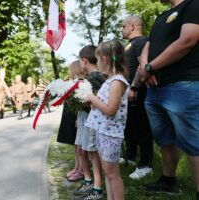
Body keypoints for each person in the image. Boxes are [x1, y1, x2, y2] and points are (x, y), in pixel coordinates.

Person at [132, 0, 199, 198]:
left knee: (193, 141)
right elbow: (147, 47)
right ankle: (168, 181)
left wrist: (150, 68)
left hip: (183, 83)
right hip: (155, 87)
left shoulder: (193, 5)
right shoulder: (162, 16)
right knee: (164, 137)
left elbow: (188, 40)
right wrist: (146, 70)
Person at [85, 40, 129, 200]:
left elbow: (111, 110)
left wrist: (93, 98)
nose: (96, 63)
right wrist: (93, 103)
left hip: (111, 134)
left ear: (104, 59)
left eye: (97, 59)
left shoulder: (117, 82)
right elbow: (103, 106)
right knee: (108, 173)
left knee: (113, 175)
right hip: (103, 132)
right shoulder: (110, 81)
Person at [121, 15, 153, 179]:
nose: (121, 29)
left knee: (141, 127)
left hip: (139, 91)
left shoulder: (141, 42)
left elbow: (143, 65)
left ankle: (146, 165)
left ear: (133, 26)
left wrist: (135, 87)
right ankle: (131, 156)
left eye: (123, 26)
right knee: (130, 126)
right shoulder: (129, 45)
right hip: (128, 93)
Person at [73, 45, 105, 200]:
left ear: (84, 61)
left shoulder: (96, 78)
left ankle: (97, 188)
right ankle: (88, 181)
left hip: (93, 119)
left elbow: (98, 101)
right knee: (83, 150)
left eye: (80, 61)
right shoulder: (90, 78)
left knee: (93, 153)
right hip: (84, 117)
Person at [57, 60, 84, 183]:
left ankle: (81, 170)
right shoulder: (71, 82)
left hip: (77, 115)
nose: (69, 73)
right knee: (76, 144)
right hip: (72, 114)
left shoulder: (82, 83)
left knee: (80, 146)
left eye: (71, 70)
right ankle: (77, 167)